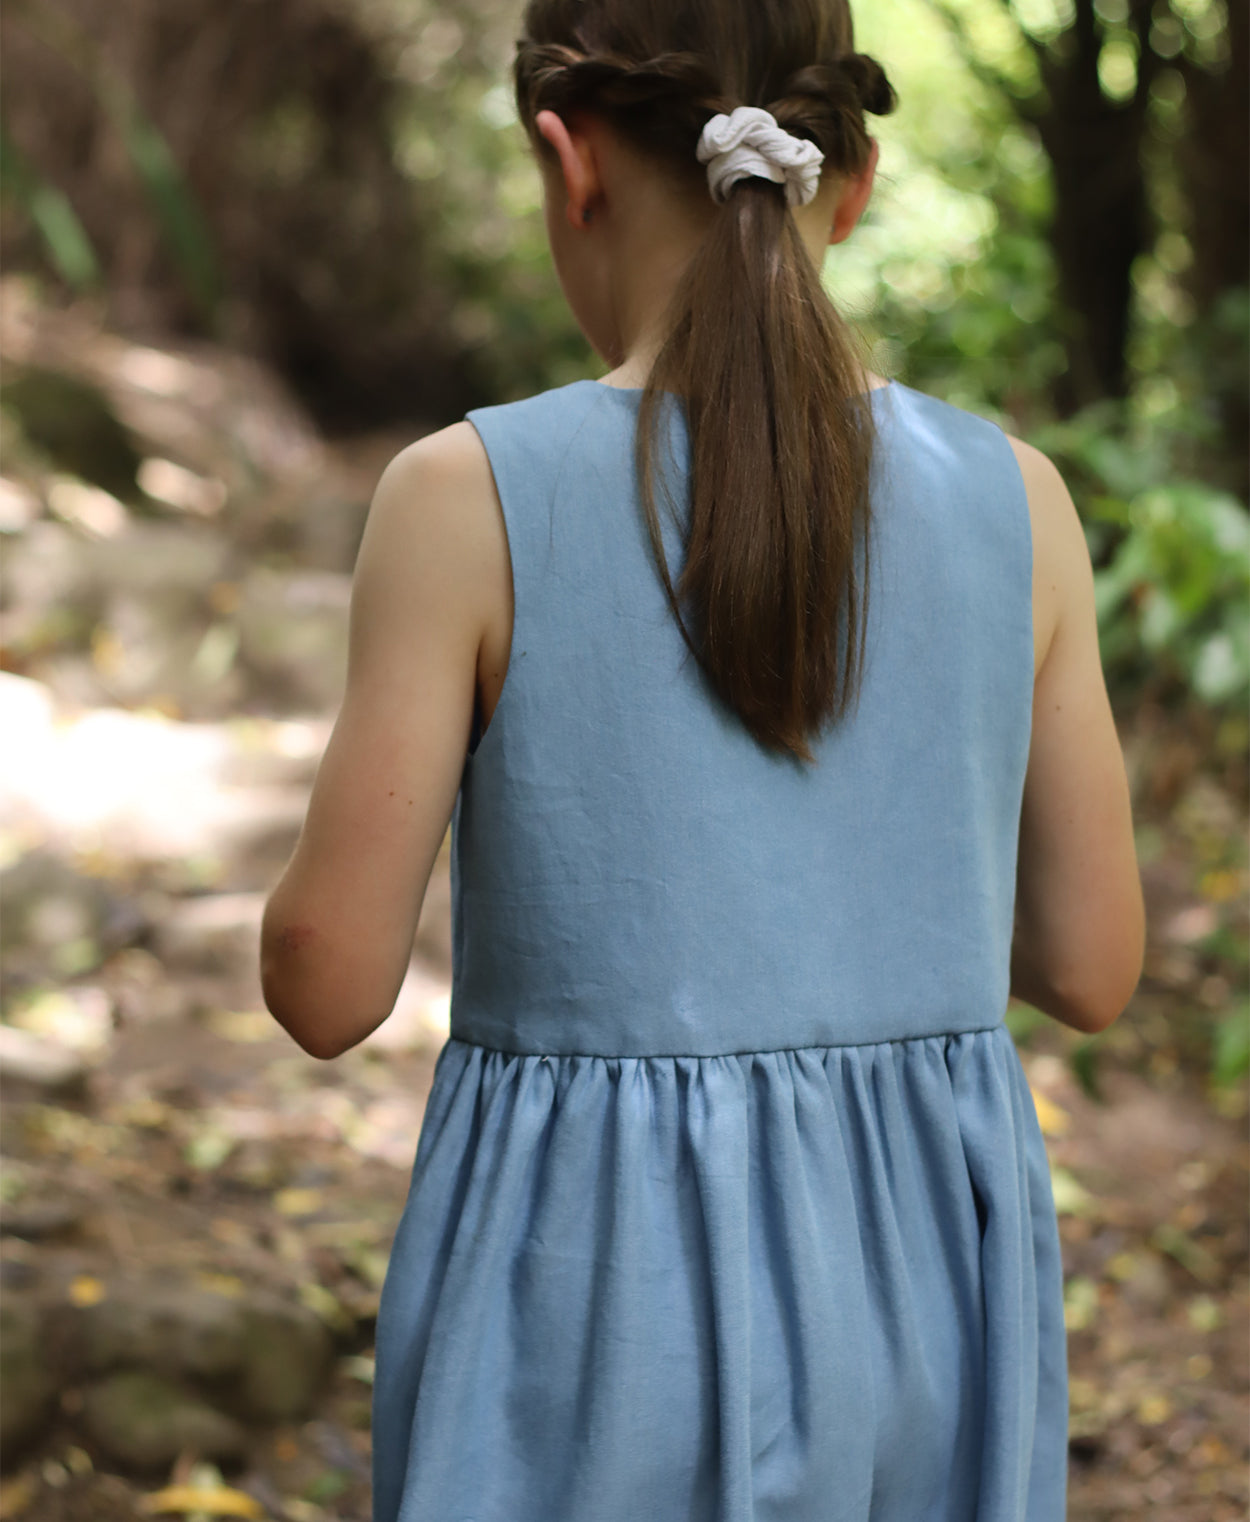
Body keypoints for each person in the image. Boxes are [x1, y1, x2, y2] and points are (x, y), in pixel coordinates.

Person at [259, 0, 1146, 1517]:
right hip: (918, 1298)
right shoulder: (1015, 501)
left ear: (568, 157)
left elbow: (330, 985)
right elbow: (1090, 961)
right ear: (846, 186)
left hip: (587, 1316)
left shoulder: (465, 493)